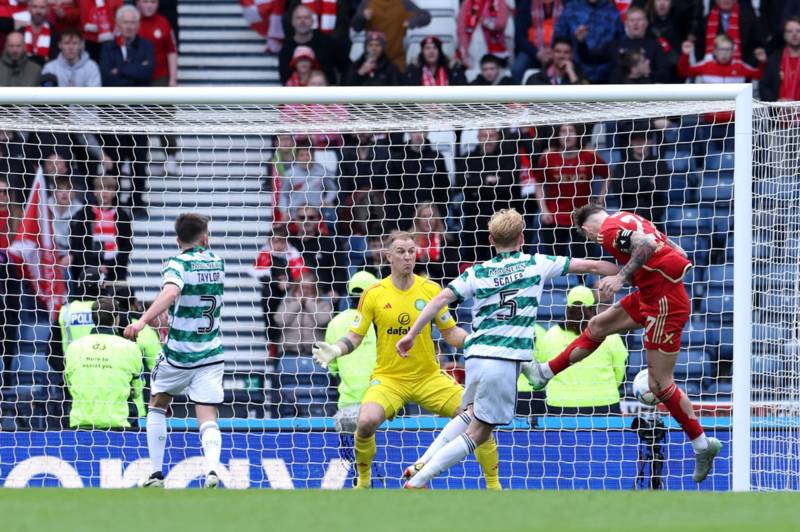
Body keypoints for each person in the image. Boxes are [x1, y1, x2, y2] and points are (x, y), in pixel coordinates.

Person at [395, 208, 620, 488]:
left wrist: (412, 334)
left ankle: (423, 461)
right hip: (502, 359)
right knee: (479, 432)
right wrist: (625, 274)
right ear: (522, 237)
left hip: (475, 355)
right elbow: (594, 267)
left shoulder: (477, 271)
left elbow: (440, 299)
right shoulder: (536, 263)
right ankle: (419, 480)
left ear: (490, 239)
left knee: (470, 414)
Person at [523, 204, 723, 483]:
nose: (593, 240)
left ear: (585, 229)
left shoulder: (607, 231)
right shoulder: (629, 218)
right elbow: (676, 250)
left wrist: (621, 277)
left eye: (587, 237)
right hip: (650, 295)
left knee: (659, 385)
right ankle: (544, 373)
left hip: (665, 304)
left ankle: (702, 445)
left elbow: (647, 244)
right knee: (597, 326)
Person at [311, 231, 502, 490]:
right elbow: (354, 337)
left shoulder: (431, 290)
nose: (407, 256)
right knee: (365, 421)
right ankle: (364, 483)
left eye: (411, 251)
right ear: (388, 256)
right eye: (401, 251)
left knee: (480, 416)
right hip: (390, 379)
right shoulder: (374, 294)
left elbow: (450, 333)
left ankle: (494, 486)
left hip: (428, 377)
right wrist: (335, 350)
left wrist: (475, 342)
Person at [124, 213, 225, 489]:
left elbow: (170, 292)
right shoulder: (218, 261)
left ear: (178, 239)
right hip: (211, 353)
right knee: (207, 414)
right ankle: (213, 469)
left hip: (179, 353)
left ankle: (156, 473)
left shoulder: (177, 263)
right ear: (205, 237)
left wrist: (142, 321)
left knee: (157, 404)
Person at [535, 285, 628, 414]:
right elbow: (620, 371)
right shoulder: (609, 334)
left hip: (560, 404)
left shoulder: (550, 335)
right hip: (604, 402)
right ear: (593, 308)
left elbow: (544, 368)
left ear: (567, 308)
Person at [99, 6, 154, 215]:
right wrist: (134, 72)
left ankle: (137, 201)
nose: (129, 26)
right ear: (118, 24)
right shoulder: (107, 47)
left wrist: (120, 70)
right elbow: (107, 77)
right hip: (114, 116)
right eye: (126, 22)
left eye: (133, 22)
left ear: (138, 25)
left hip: (139, 116)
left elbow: (147, 72)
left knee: (139, 162)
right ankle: (114, 204)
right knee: (114, 163)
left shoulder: (146, 46)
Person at [324, 270, 378, 466]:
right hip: (381, 405)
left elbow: (333, 369)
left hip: (347, 406)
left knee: (355, 465)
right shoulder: (379, 320)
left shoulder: (335, 323)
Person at [64, 297, 144, 428]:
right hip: (120, 423)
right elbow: (137, 390)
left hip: (80, 422)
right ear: (117, 318)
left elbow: (70, 385)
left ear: (92, 318)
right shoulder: (130, 348)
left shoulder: (74, 347)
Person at [533, 123, 608, 258]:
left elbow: (608, 175)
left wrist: (600, 201)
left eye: (571, 131)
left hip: (583, 217)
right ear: (557, 135)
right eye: (563, 131)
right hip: (554, 217)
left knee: (583, 261)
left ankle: (582, 280)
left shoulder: (589, 156)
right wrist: (543, 209)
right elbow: (538, 184)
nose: (567, 135)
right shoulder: (548, 157)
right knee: (555, 261)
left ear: (578, 134)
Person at [252, 224, 305, 357]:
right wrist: (277, 282)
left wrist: (289, 283)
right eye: (273, 241)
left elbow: (300, 274)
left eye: (280, 240)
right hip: (274, 293)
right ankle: (273, 341)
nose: (277, 244)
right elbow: (261, 276)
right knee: (268, 297)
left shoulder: (293, 254)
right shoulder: (265, 254)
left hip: (292, 291)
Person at [554, 0, 624, 84]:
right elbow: (559, 39)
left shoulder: (612, 10)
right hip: (576, 73)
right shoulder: (571, 9)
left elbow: (621, 42)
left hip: (608, 75)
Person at [351, 0, 431, 72]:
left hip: (396, 61)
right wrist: (362, 17)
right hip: (373, 61)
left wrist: (411, 22)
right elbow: (356, 27)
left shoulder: (403, 3)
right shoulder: (367, 2)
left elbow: (426, 16)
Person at [279, 4, 348, 85]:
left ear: (313, 21)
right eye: (298, 18)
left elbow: (345, 67)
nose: (302, 21)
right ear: (292, 22)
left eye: (306, 18)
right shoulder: (286, 48)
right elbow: (284, 79)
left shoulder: (327, 42)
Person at [81, 175, 133, 282]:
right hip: (89, 269)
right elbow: (81, 244)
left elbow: (126, 246)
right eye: (100, 188)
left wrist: (109, 266)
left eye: (108, 189)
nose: (104, 192)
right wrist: (95, 266)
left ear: (114, 193)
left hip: (116, 270)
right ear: (95, 192)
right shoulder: (85, 214)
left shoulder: (121, 215)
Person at [613, 131, 668, 228]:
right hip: (628, 221)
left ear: (650, 141)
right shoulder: (622, 165)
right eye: (635, 140)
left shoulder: (659, 163)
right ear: (630, 142)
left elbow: (660, 189)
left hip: (654, 221)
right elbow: (618, 190)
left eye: (643, 140)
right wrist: (647, 181)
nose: (639, 143)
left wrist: (630, 184)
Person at [274, 270, 333, 356]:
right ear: (296, 288)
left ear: (314, 289)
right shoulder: (287, 302)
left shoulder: (324, 304)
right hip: (289, 350)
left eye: (308, 287)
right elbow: (280, 321)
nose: (304, 291)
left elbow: (323, 321)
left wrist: (309, 303)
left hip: (315, 350)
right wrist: (297, 303)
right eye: (302, 287)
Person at [610, 5, 672, 83]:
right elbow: (593, 59)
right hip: (619, 92)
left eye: (639, 20)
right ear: (626, 24)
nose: (635, 23)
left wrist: (649, 73)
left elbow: (667, 74)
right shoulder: (615, 45)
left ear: (646, 23)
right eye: (632, 20)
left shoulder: (655, 46)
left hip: (646, 92)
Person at [696, 0, 765, 68]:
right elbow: (700, 49)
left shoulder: (750, 19)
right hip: (711, 73)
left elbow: (757, 45)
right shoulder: (706, 21)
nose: (726, 0)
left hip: (743, 71)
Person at [512, 0, 564, 83]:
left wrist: (555, 51)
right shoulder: (526, 3)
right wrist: (536, 53)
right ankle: (518, 95)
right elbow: (519, 36)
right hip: (533, 50)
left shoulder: (564, 3)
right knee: (517, 68)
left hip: (558, 49)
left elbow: (567, 32)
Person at [456, 0, 509, 70]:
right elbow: (461, 29)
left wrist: (485, 22)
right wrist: (464, 51)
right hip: (472, 49)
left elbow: (501, 24)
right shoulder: (467, 3)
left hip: (494, 50)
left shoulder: (499, 2)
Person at [760, 17, 800, 102]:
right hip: (779, 112)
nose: (794, 34)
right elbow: (764, 86)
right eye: (790, 31)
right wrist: (776, 102)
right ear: (784, 35)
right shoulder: (774, 58)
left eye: (798, 31)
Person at [23, 0, 56, 66]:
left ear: (47, 10)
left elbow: (54, 60)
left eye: (42, 7)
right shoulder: (20, 31)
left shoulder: (54, 33)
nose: (38, 11)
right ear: (29, 9)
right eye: (35, 7)